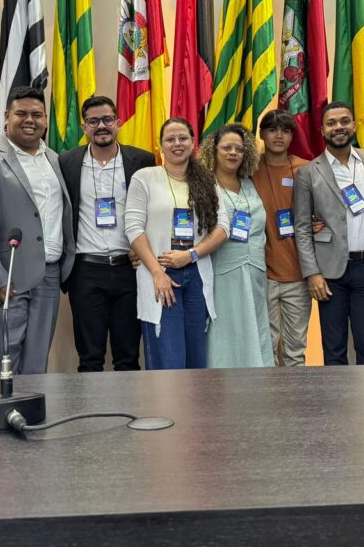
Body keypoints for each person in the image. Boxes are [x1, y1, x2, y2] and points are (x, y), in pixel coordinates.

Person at [0, 86, 74, 375]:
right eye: (21, 114)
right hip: (7, 277)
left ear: (45, 119)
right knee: (0, 360)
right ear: (7, 116)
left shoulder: (55, 159)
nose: (30, 120)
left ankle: (31, 405)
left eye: (37, 115)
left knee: (37, 361)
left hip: (49, 275)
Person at [58, 95, 154, 372]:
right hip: (85, 272)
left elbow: (152, 208)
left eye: (107, 119)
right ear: (84, 127)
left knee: (128, 356)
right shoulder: (67, 162)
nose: (101, 126)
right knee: (90, 358)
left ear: (118, 122)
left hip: (129, 270)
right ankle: (91, 403)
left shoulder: (142, 160)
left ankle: (128, 402)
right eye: (93, 121)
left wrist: (143, 247)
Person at [125, 117, 228, 369]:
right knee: (168, 358)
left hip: (196, 273)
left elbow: (223, 227)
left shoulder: (207, 180)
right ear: (161, 145)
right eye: (170, 139)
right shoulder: (144, 177)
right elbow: (133, 228)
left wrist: (191, 255)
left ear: (193, 142)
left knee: (196, 357)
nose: (177, 143)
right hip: (160, 274)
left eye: (183, 138)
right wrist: (157, 273)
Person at [293, 102, 364, 366]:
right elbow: (302, 227)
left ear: (354, 125)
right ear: (322, 130)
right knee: (333, 347)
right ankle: (338, 395)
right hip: (330, 272)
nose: (339, 127)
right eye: (331, 123)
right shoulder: (308, 173)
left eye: (344, 121)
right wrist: (312, 273)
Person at [199, 123, 272, 368]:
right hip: (223, 275)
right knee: (226, 334)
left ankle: (256, 386)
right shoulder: (205, 185)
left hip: (255, 274)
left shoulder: (250, 184)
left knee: (256, 330)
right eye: (227, 147)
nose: (233, 153)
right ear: (213, 150)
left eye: (239, 149)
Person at [251, 110, 312, 366]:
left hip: (298, 273)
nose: (279, 136)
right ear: (262, 134)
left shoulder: (306, 169)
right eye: (272, 130)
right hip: (261, 273)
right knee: (266, 349)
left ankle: (294, 393)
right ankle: (270, 393)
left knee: (295, 350)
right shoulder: (248, 169)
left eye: (285, 131)